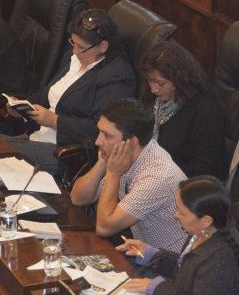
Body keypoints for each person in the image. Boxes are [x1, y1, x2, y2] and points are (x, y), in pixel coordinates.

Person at [5, 9, 136, 176]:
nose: (74, 51)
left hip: (65, 154)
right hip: (37, 136)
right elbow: (49, 93)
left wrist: (55, 121)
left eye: (81, 47)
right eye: (73, 43)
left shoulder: (116, 75)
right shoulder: (77, 56)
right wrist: (22, 107)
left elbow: (102, 130)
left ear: (103, 46)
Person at [117, 176, 239, 295]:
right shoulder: (203, 231)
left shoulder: (219, 259)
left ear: (206, 220)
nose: (176, 215)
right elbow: (187, 268)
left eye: (182, 212)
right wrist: (152, 255)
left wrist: (156, 287)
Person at [70, 99, 188, 252]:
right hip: (142, 253)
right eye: (99, 131)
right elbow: (77, 198)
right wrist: (102, 163)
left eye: (106, 135)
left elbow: (104, 228)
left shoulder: (157, 177)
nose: (98, 141)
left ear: (131, 142)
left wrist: (113, 173)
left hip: (167, 267)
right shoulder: (126, 155)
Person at [138, 41, 227, 179]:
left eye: (161, 83)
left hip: (181, 183)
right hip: (148, 172)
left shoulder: (205, 110)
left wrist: (157, 168)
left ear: (180, 79)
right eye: (150, 80)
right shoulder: (153, 95)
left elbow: (209, 167)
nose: (153, 89)